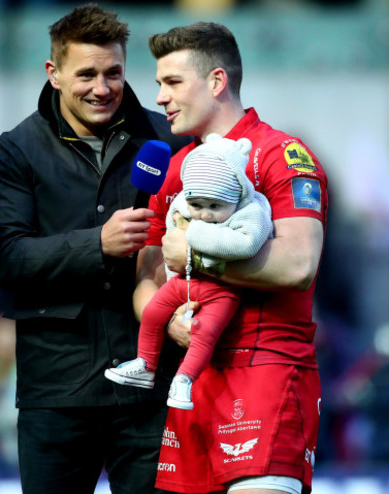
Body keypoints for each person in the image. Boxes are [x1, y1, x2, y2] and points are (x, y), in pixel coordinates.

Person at [0, 4, 190, 493]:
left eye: (113, 72)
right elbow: (6, 258)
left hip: (151, 389)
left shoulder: (166, 138)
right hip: (56, 392)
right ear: (53, 73)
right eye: (87, 74)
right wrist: (95, 244)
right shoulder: (18, 149)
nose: (102, 88)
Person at [133, 22, 328, 494]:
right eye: (159, 83)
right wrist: (167, 318)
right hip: (194, 382)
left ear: (217, 81)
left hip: (268, 373)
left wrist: (200, 257)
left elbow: (299, 266)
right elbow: (145, 277)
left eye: (173, 82)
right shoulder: (173, 168)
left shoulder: (281, 154)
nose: (160, 97)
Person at [105, 133, 273, 410]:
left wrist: (193, 234)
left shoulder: (250, 212)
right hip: (185, 282)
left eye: (215, 207)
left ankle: (184, 381)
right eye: (197, 206)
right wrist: (176, 280)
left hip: (223, 291)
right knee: (153, 312)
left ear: (236, 196)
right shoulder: (184, 205)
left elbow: (244, 245)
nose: (205, 214)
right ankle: (145, 363)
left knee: (202, 334)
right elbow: (173, 249)